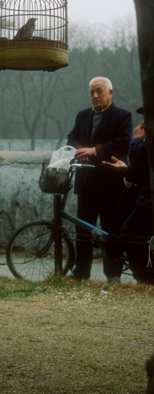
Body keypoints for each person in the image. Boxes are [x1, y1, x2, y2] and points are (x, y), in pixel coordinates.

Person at [67, 77, 133, 280]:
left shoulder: (123, 116)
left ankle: (113, 275)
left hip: (110, 184)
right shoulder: (83, 115)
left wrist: (94, 151)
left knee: (111, 232)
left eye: (99, 91)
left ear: (110, 93)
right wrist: (80, 150)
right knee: (82, 231)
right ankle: (81, 273)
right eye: (92, 92)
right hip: (86, 182)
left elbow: (122, 142)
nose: (95, 96)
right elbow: (72, 137)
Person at [102, 108, 154, 284]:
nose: (143, 123)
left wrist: (136, 139)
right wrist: (126, 170)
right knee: (125, 203)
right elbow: (145, 170)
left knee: (131, 233)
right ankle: (113, 252)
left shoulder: (143, 140)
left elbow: (139, 156)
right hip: (144, 193)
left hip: (149, 199)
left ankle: (146, 279)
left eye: (146, 118)